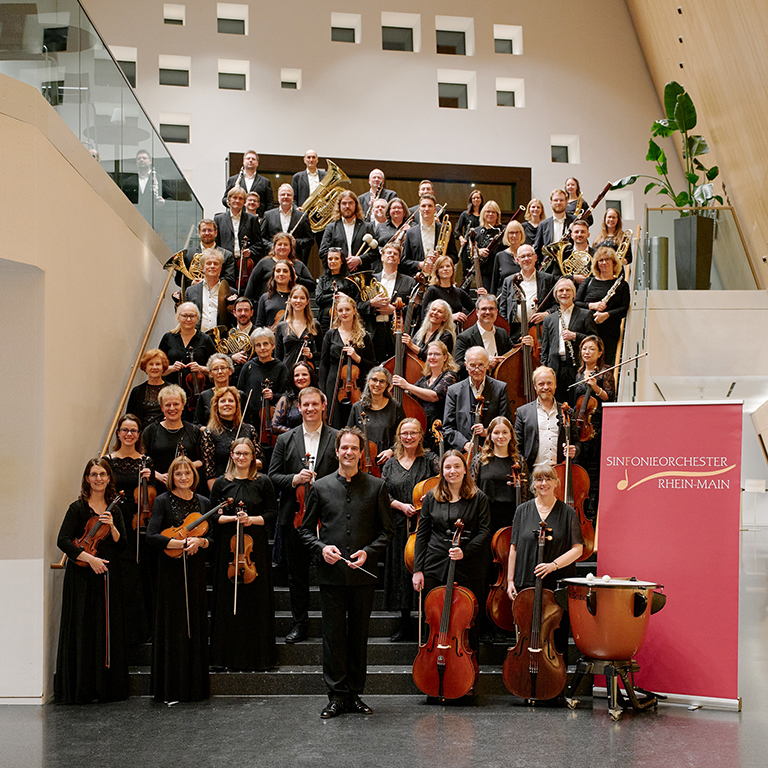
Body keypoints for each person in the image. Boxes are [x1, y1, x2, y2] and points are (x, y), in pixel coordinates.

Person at [298, 427, 394, 718]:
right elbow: (304, 530)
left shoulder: (377, 486)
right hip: (331, 575)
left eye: (354, 448)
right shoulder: (321, 487)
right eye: (344, 448)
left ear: (361, 453)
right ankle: (337, 696)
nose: (349, 453)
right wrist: (321, 548)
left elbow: (387, 531)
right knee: (334, 636)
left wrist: (369, 552)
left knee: (359, 637)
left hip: (362, 575)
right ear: (336, 451)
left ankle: (354, 694)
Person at [268, 386, 339, 644]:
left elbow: (347, 474)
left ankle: (333, 624)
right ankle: (300, 623)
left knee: (330, 573)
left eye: (314, 404)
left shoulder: (337, 437)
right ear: (299, 407)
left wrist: (328, 482)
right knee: (296, 575)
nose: (309, 409)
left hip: (329, 517)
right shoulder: (286, 439)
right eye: (305, 405)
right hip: (295, 518)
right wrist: (294, 479)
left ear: (323, 405)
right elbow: (272, 476)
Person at [55, 458, 128, 704]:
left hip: (108, 574)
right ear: (87, 478)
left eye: (103, 474)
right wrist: (89, 558)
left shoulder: (114, 509)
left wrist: (114, 528)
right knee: (83, 628)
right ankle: (82, 688)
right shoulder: (77, 508)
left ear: (109, 478)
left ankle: (106, 687)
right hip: (82, 576)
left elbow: (123, 544)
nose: (98, 478)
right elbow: (63, 540)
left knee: (105, 630)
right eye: (93, 474)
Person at [146, 456, 212, 703]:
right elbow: (152, 535)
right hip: (170, 571)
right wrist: (178, 543)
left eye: (187, 473)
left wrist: (201, 541)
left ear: (193, 477)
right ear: (171, 477)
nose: (183, 477)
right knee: (173, 625)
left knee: (193, 623)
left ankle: (194, 688)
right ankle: (170, 688)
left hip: (194, 570)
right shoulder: (163, 501)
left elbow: (212, 540)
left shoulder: (204, 502)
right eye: (178, 474)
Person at [412, 450, 491, 654]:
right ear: (442, 471)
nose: (452, 471)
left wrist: (465, 551)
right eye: (447, 467)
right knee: (434, 619)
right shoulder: (431, 497)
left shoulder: (478, 498)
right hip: (435, 565)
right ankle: (432, 664)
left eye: (457, 466)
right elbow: (422, 534)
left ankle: (467, 670)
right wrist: (418, 570)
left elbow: (484, 531)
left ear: (465, 470)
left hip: (469, 567)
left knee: (468, 621)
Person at [209, 437, 278, 670]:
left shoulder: (263, 481)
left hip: (253, 548)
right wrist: (232, 518)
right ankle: (224, 657)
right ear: (231, 456)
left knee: (255, 600)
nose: (241, 457)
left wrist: (252, 520)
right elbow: (212, 516)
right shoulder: (221, 483)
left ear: (253, 457)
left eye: (245, 454)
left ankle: (258, 657)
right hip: (228, 549)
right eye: (237, 453)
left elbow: (272, 514)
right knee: (228, 600)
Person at [506, 464, 583, 655]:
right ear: (533, 484)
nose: (544, 483)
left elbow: (578, 549)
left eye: (548, 478)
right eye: (539, 479)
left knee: (556, 636)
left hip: (556, 584)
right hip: (526, 582)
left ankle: (556, 681)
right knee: (527, 633)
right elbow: (513, 546)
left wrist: (553, 565)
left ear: (556, 482)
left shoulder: (567, 513)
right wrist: (509, 581)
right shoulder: (522, 511)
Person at [382, 418, 438, 641]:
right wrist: (398, 505)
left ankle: (427, 624)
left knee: (424, 570)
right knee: (400, 572)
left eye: (413, 433)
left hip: (425, 527)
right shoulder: (391, 462)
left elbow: (442, 482)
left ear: (420, 435)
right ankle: (404, 623)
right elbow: (382, 493)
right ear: (399, 436)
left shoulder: (430, 459)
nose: (408, 437)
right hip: (398, 524)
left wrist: (430, 495)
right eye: (404, 433)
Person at [105, 415, 154, 646]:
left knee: (136, 575)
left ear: (138, 434)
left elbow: (151, 495)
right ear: (118, 433)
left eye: (134, 430)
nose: (129, 434)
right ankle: (115, 628)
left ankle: (138, 631)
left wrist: (149, 479)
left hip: (136, 521)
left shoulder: (145, 460)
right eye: (125, 430)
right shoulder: (107, 460)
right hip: (114, 520)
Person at [572, 336, 615, 520]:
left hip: (596, 426)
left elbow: (610, 397)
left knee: (593, 467)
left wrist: (596, 388)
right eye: (584, 349)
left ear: (600, 353)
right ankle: (578, 503)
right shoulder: (579, 373)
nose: (586, 352)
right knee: (579, 466)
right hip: (580, 426)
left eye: (591, 349)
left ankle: (592, 506)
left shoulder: (605, 372)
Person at [319, 293, 375, 428]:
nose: (344, 313)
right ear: (336, 312)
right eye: (340, 310)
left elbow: (373, 365)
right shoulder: (330, 334)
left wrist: (357, 358)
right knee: (335, 423)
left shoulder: (364, 336)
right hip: (333, 383)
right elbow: (323, 364)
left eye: (347, 309)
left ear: (354, 311)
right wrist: (322, 391)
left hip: (357, 385)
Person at [539, 278, 599, 404]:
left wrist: (575, 336)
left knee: (575, 401)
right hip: (555, 367)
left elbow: (594, 339)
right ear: (556, 295)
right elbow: (545, 348)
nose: (564, 293)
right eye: (561, 290)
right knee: (557, 403)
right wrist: (545, 368)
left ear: (574, 293)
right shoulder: (549, 319)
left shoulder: (585, 314)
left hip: (577, 366)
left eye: (568, 290)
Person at [443, 346, 512, 453]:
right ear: (466, 366)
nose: (476, 370)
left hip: (493, 451)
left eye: (481, 365)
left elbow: (506, 423)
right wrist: (464, 444)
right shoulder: (454, 391)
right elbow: (448, 428)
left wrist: (487, 432)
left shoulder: (500, 389)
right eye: (472, 365)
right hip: (464, 454)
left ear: (488, 365)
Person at [514, 366, 577, 476]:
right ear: (535, 386)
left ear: (555, 385)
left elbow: (576, 442)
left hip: (560, 471)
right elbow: (517, 445)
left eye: (549, 383)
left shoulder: (567, 411)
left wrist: (574, 450)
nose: (546, 387)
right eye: (541, 384)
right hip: (533, 472)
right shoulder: (522, 412)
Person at [358, 242, 415, 361]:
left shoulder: (409, 282)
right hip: (373, 330)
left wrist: (394, 310)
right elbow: (358, 306)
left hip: (395, 333)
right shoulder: (369, 279)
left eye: (395, 254)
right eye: (389, 253)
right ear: (382, 257)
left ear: (399, 260)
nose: (392, 255)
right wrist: (372, 303)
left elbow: (415, 309)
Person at [574, 246, 630, 365]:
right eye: (600, 260)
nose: (604, 263)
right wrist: (592, 305)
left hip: (609, 333)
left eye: (607, 259)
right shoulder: (588, 281)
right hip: (587, 331)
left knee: (606, 365)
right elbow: (576, 303)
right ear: (596, 263)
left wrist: (607, 315)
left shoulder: (622, 285)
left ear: (614, 262)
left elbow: (624, 309)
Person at [393, 340, 458, 442]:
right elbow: (410, 394)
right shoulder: (425, 378)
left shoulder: (450, 376)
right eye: (430, 354)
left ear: (445, 357)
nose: (432, 357)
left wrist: (407, 385)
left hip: (438, 427)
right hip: (423, 425)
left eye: (436, 354)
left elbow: (434, 396)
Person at [158, 302, 216, 415]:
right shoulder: (168, 338)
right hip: (172, 392)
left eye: (192, 316)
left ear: (197, 318)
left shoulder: (205, 339)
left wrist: (201, 368)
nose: (188, 319)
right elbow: (157, 367)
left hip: (198, 394)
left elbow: (216, 369)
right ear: (178, 317)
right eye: (184, 315)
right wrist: (171, 368)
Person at [142, 384, 204, 488]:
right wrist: (158, 476)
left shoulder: (194, 431)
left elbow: (201, 461)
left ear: (183, 405)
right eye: (167, 405)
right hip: (159, 487)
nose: (172, 408)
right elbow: (142, 460)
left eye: (176, 404)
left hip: (187, 486)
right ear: (161, 407)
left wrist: (182, 469)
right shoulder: (150, 431)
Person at [200, 386, 258, 489]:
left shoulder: (249, 429)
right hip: (223, 486)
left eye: (231, 400)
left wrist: (244, 458)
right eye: (222, 401)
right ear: (216, 406)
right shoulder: (210, 432)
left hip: (249, 484)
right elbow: (209, 472)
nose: (227, 404)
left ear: (237, 405)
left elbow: (261, 460)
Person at [498, 244, 558, 343]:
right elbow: (503, 309)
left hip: (539, 329)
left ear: (535, 258)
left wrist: (546, 314)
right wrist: (507, 331)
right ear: (517, 260)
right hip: (515, 331)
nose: (526, 259)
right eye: (523, 256)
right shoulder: (509, 281)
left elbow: (557, 305)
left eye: (529, 255)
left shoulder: (548, 279)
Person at [347, 366, 405, 468]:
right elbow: (349, 434)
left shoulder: (395, 407)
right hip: (363, 462)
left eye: (382, 381)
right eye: (374, 380)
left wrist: (392, 450)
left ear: (387, 385)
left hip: (389, 461)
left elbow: (403, 435)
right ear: (368, 381)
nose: (377, 384)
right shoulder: (357, 407)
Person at [237, 327, 289, 430]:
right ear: (254, 348)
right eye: (258, 345)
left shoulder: (281, 367)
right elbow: (240, 393)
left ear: (273, 345)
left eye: (266, 344)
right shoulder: (248, 367)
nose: (262, 348)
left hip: (273, 418)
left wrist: (273, 396)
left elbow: (287, 394)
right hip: (250, 419)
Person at [245, 231, 314, 300]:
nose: (282, 247)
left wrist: (297, 278)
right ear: (274, 246)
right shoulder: (264, 263)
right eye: (279, 244)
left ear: (291, 247)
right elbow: (251, 285)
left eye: (286, 244)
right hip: (268, 303)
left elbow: (312, 286)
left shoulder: (298, 264)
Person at [453, 294, 513, 372]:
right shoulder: (464, 337)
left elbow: (512, 357)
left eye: (491, 308)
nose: (488, 312)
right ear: (477, 312)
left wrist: (524, 345)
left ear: (496, 312)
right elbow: (458, 366)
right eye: (484, 309)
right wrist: (484, 364)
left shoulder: (502, 333)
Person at [319, 190, 377, 270]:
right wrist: (340, 261)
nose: (347, 206)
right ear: (339, 206)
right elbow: (323, 252)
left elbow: (375, 252)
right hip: (338, 274)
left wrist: (359, 260)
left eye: (350, 203)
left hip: (361, 273)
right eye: (344, 203)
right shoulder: (331, 228)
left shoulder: (367, 226)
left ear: (356, 205)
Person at [401, 194, 454, 276]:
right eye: (423, 206)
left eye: (430, 206)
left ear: (435, 209)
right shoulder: (410, 233)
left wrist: (442, 259)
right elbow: (404, 261)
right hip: (418, 279)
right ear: (419, 209)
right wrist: (420, 265)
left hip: (440, 279)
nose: (426, 209)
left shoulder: (445, 230)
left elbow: (454, 257)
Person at [260, 183, 314, 263]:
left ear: (292, 198)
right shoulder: (268, 215)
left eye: (288, 195)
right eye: (282, 194)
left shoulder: (302, 216)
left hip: (295, 260)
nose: (285, 197)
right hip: (272, 260)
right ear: (278, 198)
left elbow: (310, 240)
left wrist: (296, 242)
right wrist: (274, 246)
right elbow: (261, 238)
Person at [183, 250, 233, 332]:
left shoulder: (231, 292)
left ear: (220, 269)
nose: (212, 266)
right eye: (209, 263)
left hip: (221, 340)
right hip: (197, 339)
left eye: (216, 263)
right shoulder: (190, 291)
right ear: (202, 268)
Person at [315, 247, 361, 335]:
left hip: (345, 317)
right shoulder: (323, 279)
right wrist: (333, 296)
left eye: (336, 258)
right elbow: (318, 299)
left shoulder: (349, 279)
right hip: (325, 319)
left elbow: (356, 300)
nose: (333, 261)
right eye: (330, 259)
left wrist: (345, 298)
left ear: (342, 261)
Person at [215, 186, 262, 271]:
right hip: (224, 264)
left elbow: (259, 244)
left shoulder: (252, 219)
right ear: (228, 200)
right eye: (234, 197)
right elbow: (216, 244)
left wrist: (250, 251)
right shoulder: (218, 219)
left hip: (244, 265)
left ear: (244, 202)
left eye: (241, 198)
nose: (237, 201)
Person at [274, 284, 321, 368]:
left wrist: (311, 355)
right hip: (286, 372)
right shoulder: (282, 326)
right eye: (295, 297)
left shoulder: (315, 325)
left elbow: (323, 354)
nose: (298, 301)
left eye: (302, 298)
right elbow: (278, 357)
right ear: (290, 300)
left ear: (307, 301)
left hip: (306, 373)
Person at [421, 255, 474, 330]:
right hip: (438, 334)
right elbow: (424, 317)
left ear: (453, 270)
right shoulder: (432, 290)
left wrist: (483, 297)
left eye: (448, 266)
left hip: (455, 333)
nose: (445, 269)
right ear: (437, 272)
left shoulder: (458, 292)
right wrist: (450, 317)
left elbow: (475, 309)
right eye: (441, 267)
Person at [194, 352, 242, 427]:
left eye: (223, 368)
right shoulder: (204, 396)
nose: (220, 372)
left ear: (230, 371)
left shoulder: (240, 395)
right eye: (215, 369)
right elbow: (197, 423)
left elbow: (248, 422)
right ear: (210, 373)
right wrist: (208, 431)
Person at [464, 200, 504, 291]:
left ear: (497, 214)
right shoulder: (476, 231)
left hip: (499, 271)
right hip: (483, 272)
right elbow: (468, 252)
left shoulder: (503, 231)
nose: (490, 214)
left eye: (493, 212)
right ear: (483, 213)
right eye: (488, 211)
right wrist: (478, 251)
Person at [222, 149, 274, 215]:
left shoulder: (265, 182)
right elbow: (224, 199)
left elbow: (270, 204)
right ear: (243, 161)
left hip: (258, 220)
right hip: (238, 217)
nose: (250, 160)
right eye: (248, 158)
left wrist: (265, 220)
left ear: (257, 163)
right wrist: (233, 203)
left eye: (253, 159)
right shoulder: (233, 180)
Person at [126, 348, 168, 428]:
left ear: (163, 367)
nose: (154, 367)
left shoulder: (173, 390)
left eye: (158, 364)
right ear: (145, 367)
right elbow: (130, 418)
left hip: (166, 434)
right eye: (151, 364)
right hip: (142, 435)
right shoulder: (137, 391)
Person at [271, 361, 316, 435]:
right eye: (296, 375)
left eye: (304, 374)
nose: (300, 378)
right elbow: (274, 427)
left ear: (311, 376)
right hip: (292, 441)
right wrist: (299, 433)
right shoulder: (285, 399)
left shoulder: (319, 397)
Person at [533, 189, 575, 259]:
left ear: (566, 202)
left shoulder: (574, 221)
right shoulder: (544, 224)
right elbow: (537, 249)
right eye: (555, 200)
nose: (558, 202)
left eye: (561, 200)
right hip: (550, 267)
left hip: (569, 264)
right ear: (551, 203)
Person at [255, 259, 296, 328]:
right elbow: (259, 324)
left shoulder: (296, 297)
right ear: (274, 275)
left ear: (291, 276)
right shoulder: (265, 297)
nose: (281, 273)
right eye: (278, 271)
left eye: (285, 271)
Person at [551, 219, 594, 285]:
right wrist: (573, 278)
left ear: (588, 235)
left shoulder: (596, 254)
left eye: (583, 232)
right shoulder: (563, 255)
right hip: (568, 292)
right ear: (571, 235)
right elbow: (555, 278)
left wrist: (587, 280)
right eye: (576, 232)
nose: (579, 234)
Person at [491, 219, 526, 295]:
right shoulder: (499, 256)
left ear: (521, 234)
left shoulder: (527, 254)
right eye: (511, 233)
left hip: (524, 296)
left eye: (517, 232)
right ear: (507, 235)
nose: (514, 235)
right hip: (504, 298)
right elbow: (494, 283)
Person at [455, 189, 483, 260]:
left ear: (481, 199)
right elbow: (457, 230)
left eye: (478, 197)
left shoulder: (484, 215)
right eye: (474, 198)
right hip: (468, 245)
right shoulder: (465, 214)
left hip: (481, 244)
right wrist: (461, 239)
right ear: (471, 200)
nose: (476, 199)